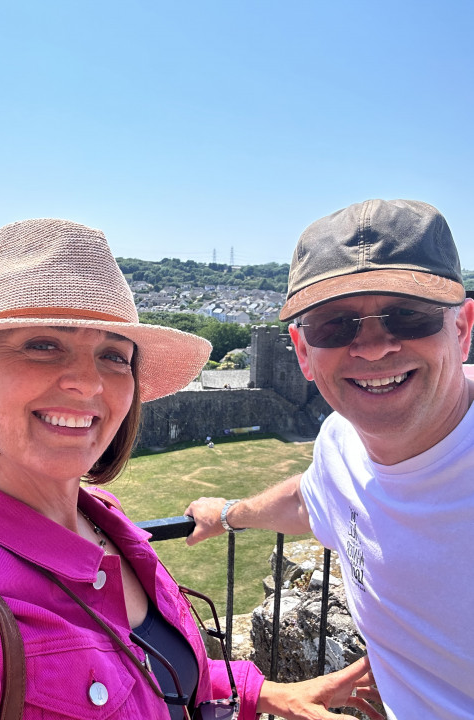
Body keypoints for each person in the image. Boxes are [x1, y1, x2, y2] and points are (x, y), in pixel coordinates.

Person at [0, 218, 383, 720]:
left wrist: (264, 693)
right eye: (43, 345)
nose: (88, 382)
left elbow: (141, 668)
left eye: (114, 355)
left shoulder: (103, 518)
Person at [186, 198, 474, 720]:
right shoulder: (340, 437)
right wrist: (227, 514)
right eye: (335, 326)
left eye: (408, 315)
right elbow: (311, 498)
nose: (373, 347)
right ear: (302, 351)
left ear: (461, 328)